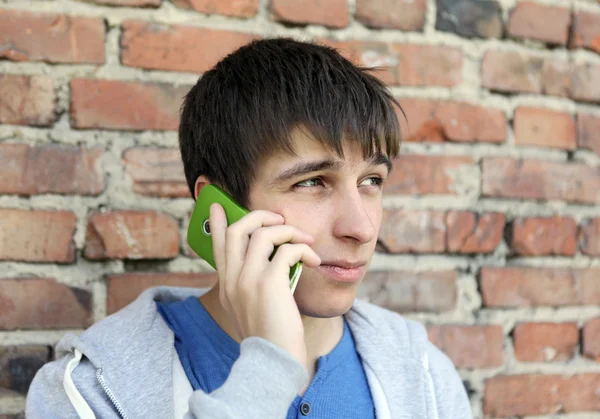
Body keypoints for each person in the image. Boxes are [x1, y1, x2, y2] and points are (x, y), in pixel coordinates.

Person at [26, 38, 472, 418]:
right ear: (217, 207)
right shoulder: (87, 395)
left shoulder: (425, 378)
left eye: (371, 181)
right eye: (313, 182)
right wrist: (270, 369)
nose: (362, 228)